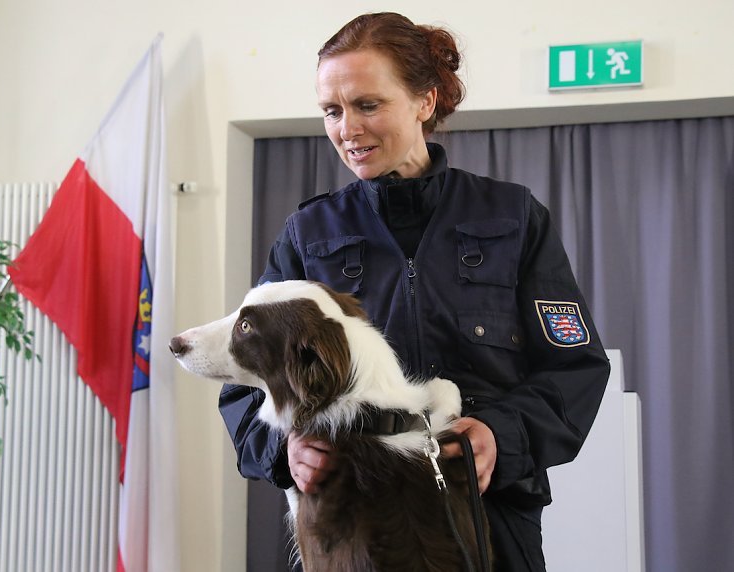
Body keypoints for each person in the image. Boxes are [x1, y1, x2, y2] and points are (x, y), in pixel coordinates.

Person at [219, 11, 610, 571]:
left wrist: (503, 435)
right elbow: (242, 383)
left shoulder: (513, 217)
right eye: (332, 110)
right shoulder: (309, 236)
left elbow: (575, 368)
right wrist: (284, 450)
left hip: (487, 521)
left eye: (368, 105)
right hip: (349, 527)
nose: (346, 129)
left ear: (425, 102)